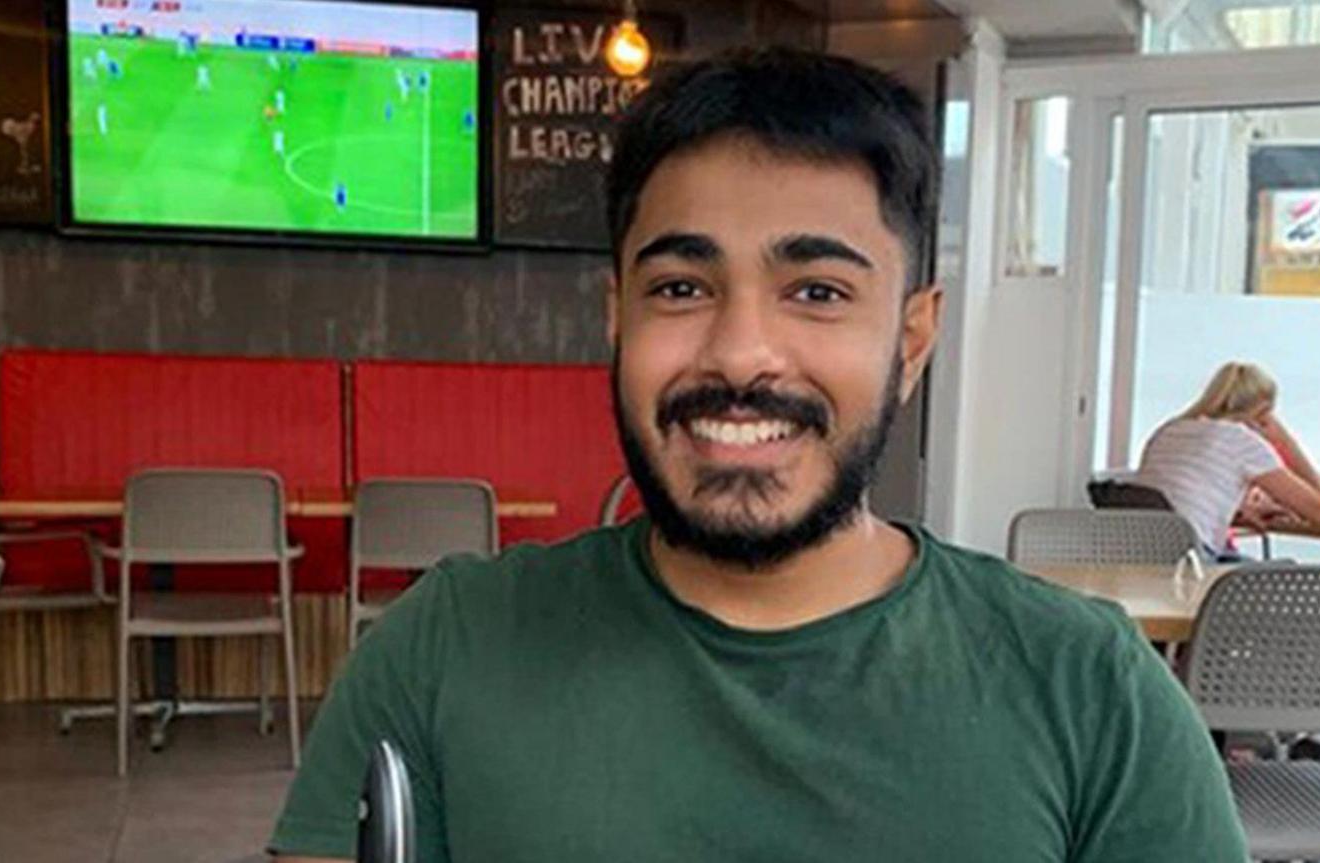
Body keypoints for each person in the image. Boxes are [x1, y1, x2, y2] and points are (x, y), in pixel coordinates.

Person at [270, 48, 1246, 863]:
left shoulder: (1092, 689)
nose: (739, 353)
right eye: (682, 288)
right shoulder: (445, 648)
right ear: (616, 318)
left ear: (910, 338)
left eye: (817, 291)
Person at [1134, 361, 1320, 559]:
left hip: (1136, 549)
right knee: (1275, 575)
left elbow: (1180, 496)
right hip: (1189, 558)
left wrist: (1235, 512)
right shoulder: (1241, 441)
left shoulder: (1170, 430)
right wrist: (1284, 440)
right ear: (1263, 412)